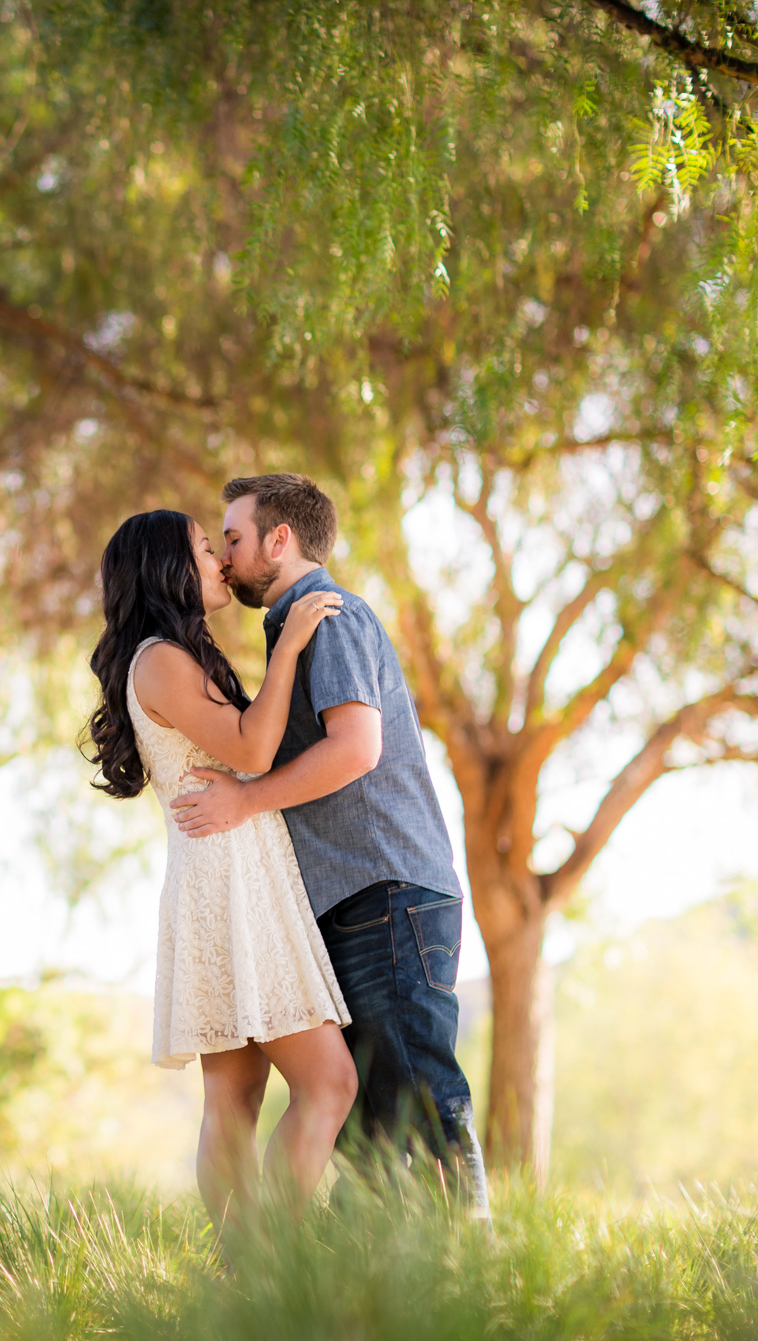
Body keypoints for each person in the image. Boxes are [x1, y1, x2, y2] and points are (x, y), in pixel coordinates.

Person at [171, 473, 491, 1220]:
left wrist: (245, 798)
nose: (224, 554)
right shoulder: (292, 628)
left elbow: (357, 748)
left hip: (387, 894)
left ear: (280, 540)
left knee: (420, 1097)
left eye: (236, 537)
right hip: (353, 902)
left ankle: (478, 1275)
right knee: (372, 1129)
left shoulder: (332, 617)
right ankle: (389, 1292)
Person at [85, 508, 355, 1235]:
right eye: (208, 549)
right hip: (230, 883)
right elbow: (254, 748)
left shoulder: (168, 656)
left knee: (234, 1103)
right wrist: (292, 642)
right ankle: (268, 1257)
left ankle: (242, 1278)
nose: (222, 562)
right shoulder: (161, 661)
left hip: (227, 874)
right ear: (170, 568)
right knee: (329, 1081)